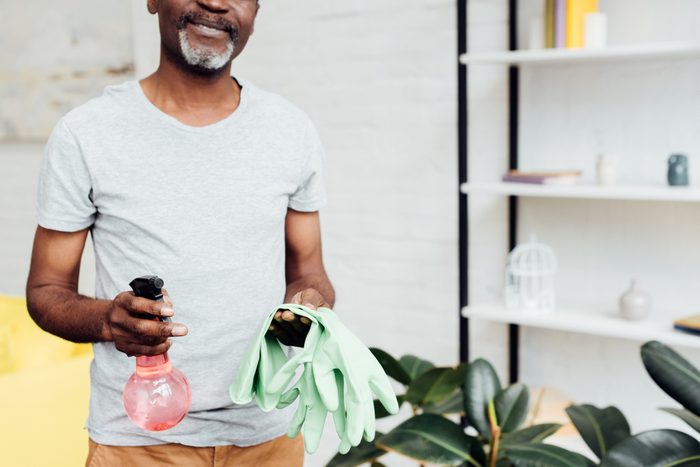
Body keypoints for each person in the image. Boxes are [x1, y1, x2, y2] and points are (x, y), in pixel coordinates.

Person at [25, 0, 335, 465]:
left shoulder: (290, 130)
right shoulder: (86, 134)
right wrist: (109, 321)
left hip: (269, 435)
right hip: (138, 442)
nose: (214, 2)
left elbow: (310, 273)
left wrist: (309, 307)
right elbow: (46, 292)